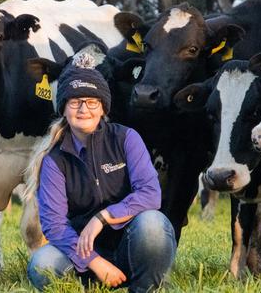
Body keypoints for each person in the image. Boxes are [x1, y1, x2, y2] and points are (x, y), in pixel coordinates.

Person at [25, 51, 176, 292]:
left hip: (130, 244)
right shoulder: (54, 159)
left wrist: (102, 217)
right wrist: (95, 262)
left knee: (153, 224)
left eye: (92, 101)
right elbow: (55, 225)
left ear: (103, 108)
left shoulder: (126, 138)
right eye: (75, 102)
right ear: (64, 108)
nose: (83, 108)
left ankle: (144, 286)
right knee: (41, 264)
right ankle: (88, 284)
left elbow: (150, 194)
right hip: (83, 253)